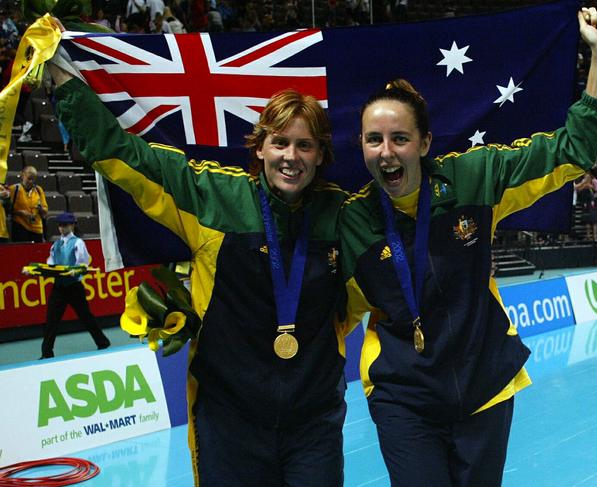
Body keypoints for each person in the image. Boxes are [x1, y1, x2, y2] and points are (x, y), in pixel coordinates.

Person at [47, 39, 356, 484]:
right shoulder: (214, 197)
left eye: (305, 146)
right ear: (260, 148)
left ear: (322, 154)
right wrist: (62, 70)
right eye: (280, 143)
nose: (291, 157)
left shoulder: (340, 213)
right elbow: (121, 152)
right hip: (229, 422)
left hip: (314, 422)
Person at [338, 7, 597, 486]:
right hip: (404, 397)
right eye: (374, 139)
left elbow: (573, 152)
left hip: (485, 385)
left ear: (424, 143)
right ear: (360, 145)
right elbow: (325, 308)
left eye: (400, 138)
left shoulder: (474, 179)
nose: (386, 151)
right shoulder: (352, 223)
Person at [40, 212, 111, 358]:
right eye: (60, 225)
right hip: (59, 287)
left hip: (74, 287)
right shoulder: (55, 245)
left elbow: (83, 263)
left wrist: (76, 271)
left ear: (72, 225)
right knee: (51, 319)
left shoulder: (78, 243)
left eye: (65, 225)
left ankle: (102, 342)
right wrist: (43, 270)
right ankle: (47, 352)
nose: (61, 228)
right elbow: (51, 262)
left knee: (86, 316)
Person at [8, 165, 48, 242]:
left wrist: (41, 209)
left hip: (37, 229)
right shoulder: (14, 189)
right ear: (22, 175)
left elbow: (45, 211)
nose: (31, 182)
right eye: (29, 178)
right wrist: (21, 212)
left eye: (33, 179)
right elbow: (8, 210)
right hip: (20, 228)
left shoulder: (39, 190)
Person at [575, 170, 597, 241]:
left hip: (593, 202)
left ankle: (595, 236)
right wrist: (583, 185)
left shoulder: (594, 181)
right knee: (587, 220)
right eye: (585, 176)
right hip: (585, 203)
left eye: (587, 176)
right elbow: (578, 190)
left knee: (594, 220)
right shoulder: (582, 182)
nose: (586, 178)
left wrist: (591, 187)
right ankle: (588, 235)